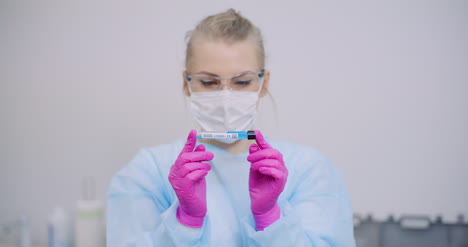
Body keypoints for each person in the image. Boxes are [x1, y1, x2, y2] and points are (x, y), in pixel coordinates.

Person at [107, 9, 355, 247]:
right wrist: (185, 222)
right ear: (186, 83)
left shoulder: (311, 171)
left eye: (242, 81)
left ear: (263, 82)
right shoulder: (147, 172)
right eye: (208, 82)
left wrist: (270, 218)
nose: (225, 98)